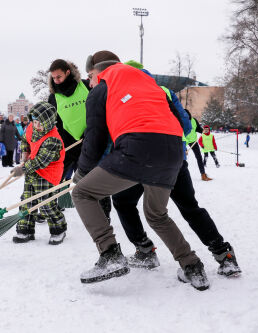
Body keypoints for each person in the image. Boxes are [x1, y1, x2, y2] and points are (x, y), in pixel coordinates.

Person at [72, 51, 208, 290]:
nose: (89, 83)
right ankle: (192, 265)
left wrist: (82, 174)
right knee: (157, 214)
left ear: (97, 71)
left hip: (138, 148)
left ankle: (110, 254)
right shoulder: (146, 81)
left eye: (90, 77)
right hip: (173, 151)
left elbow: (95, 140)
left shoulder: (102, 88)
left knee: (82, 193)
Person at [111, 60, 241, 277]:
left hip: (140, 160)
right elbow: (187, 126)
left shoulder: (125, 95)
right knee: (189, 207)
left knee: (123, 201)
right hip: (173, 157)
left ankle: (144, 250)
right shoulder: (164, 92)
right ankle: (224, 255)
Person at [47, 58, 112, 219]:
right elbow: (56, 124)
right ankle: (50, 209)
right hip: (68, 145)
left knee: (95, 180)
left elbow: (101, 109)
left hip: (90, 142)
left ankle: (104, 214)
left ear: (68, 73)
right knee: (56, 178)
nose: (56, 81)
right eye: (53, 78)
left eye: (59, 77)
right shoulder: (53, 97)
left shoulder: (86, 85)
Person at [11, 102, 67, 245]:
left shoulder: (53, 139)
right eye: (35, 122)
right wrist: (25, 153)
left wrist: (22, 169)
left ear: (49, 123)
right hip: (32, 171)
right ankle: (25, 230)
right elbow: (25, 139)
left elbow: (40, 162)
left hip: (47, 173)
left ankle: (58, 229)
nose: (36, 126)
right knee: (26, 201)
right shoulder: (31, 127)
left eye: (40, 124)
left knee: (46, 204)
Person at [184, 109, 211, 181]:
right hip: (183, 141)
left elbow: (198, 128)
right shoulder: (181, 121)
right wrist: (185, 149)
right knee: (183, 159)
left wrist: (203, 131)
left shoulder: (193, 120)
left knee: (199, 157)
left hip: (193, 141)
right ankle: (180, 177)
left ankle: (203, 175)